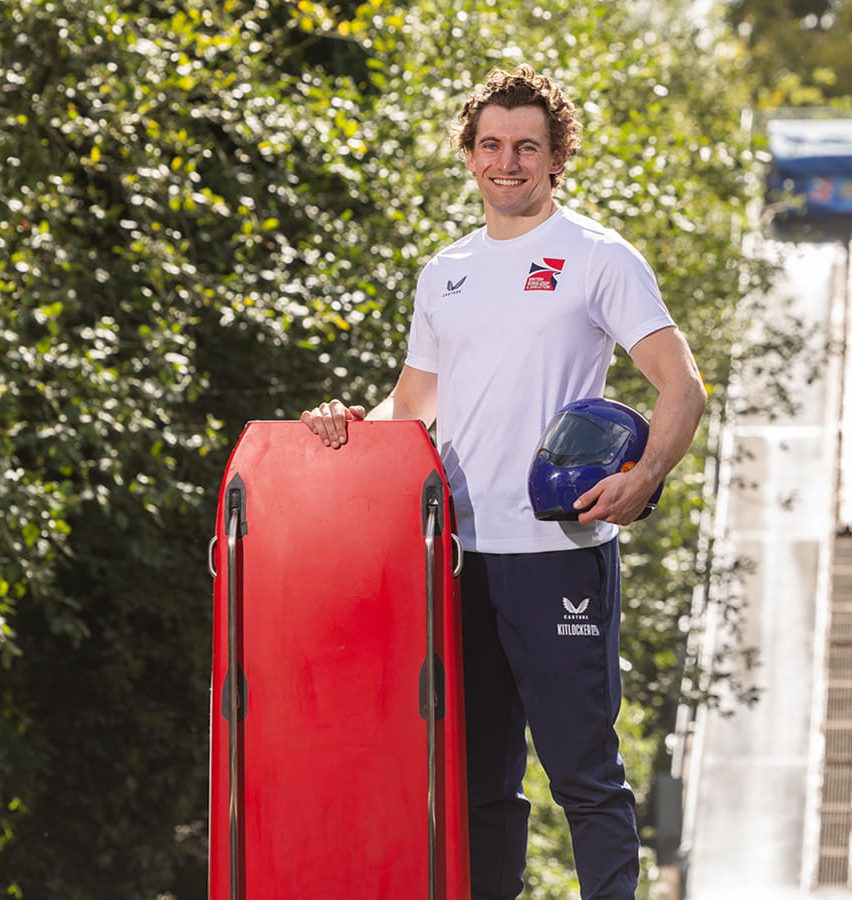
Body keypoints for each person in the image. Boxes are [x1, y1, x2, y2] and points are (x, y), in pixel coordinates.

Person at [301, 64, 706, 900]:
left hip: (558, 552)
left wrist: (644, 477)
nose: (507, 162)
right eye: (490, 144)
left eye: (527, 146)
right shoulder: (444, 270)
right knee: (481, 784)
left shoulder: (598, 257)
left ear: (557, 158)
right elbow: (412, 404)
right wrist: (347, 425)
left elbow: (682, 386)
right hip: (455, 557)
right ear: (470, 154)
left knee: (584, 779)